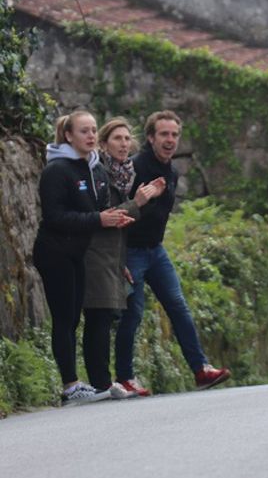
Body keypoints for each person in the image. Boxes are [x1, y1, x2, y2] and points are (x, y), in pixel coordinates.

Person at [115, 110, 231, 395]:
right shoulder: (134, 167)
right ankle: (125, 378)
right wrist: (117, 259)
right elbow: (116, 211)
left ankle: (201, 369)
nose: (170, 140)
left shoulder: (173, 172)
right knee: (133, 314)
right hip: (130, 252)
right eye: (164, 134)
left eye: (174, 135)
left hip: (156, 252)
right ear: (151, 137)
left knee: (178, 306)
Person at [34, 111, 134, 406]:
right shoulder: (57, 170)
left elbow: (99, 218)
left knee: (73, 319)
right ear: (68, 136)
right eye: (83, 131)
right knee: (64, 319)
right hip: (54, 251)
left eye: (93, 130)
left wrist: (113, 224)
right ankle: (70, 385)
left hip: (79, 253)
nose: (91, 136)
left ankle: (77, 383)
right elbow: (54, 216)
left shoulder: (97, 171)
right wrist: (99, 219)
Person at [82, 117, 165, 399]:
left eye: (128, 138)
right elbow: (110, 217)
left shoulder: (123, 175)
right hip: (95, 254)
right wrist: (139, 202)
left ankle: (104, 383)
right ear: (104, 143)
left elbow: (118, 226)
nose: (124, 144)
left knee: (106, 316)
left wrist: (122, 263)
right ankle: (101, 384)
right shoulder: (99, 173)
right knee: (98, 317)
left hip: (112, 256)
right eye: (117, 138)